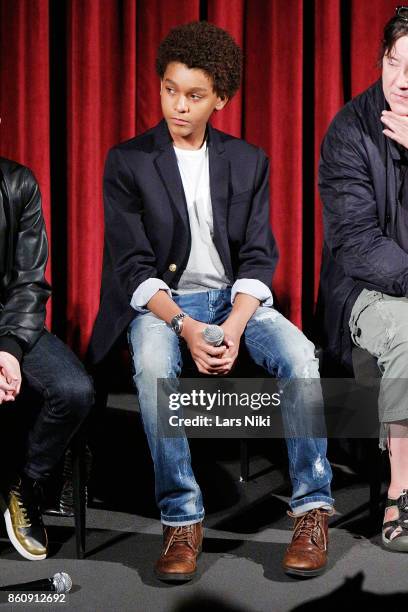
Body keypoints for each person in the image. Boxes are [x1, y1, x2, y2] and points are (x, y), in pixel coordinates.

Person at [89, 21, 334, 581]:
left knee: (300, 356)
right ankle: (182, 519)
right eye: (170, 89)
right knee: (154, 365)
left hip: (233, 299)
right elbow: (132, 268)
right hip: (164, 305)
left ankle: (311, 510)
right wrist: (186, 328)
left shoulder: (248, 160)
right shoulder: (128, 161)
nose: (178, 104)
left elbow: (258, 257)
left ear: (219, 99)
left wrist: (237, 324)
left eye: (194, 95)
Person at [319, 6, 408, 552]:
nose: (403, 79)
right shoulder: (350, 130)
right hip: (364, 293)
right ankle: (402, 492)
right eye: (394, 62)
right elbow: (358, 246)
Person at [0, 152, 94, 560]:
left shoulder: (18, 184)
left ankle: (25, 484)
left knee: (73, 391)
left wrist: (9, 349)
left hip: (10, 321)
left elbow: (29, 281)